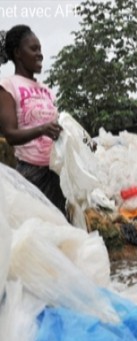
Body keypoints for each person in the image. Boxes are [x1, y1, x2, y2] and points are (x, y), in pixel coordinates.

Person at [0, 24, 66, 216]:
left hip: (55, 174)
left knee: (62, 232)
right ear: (18, 53)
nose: (40, 54)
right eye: (34, 49)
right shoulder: (7, 87)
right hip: (31, 177)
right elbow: (10, 134)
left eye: (40, 49)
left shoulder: (46, 90)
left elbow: (57, 129)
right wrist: (42, 129)